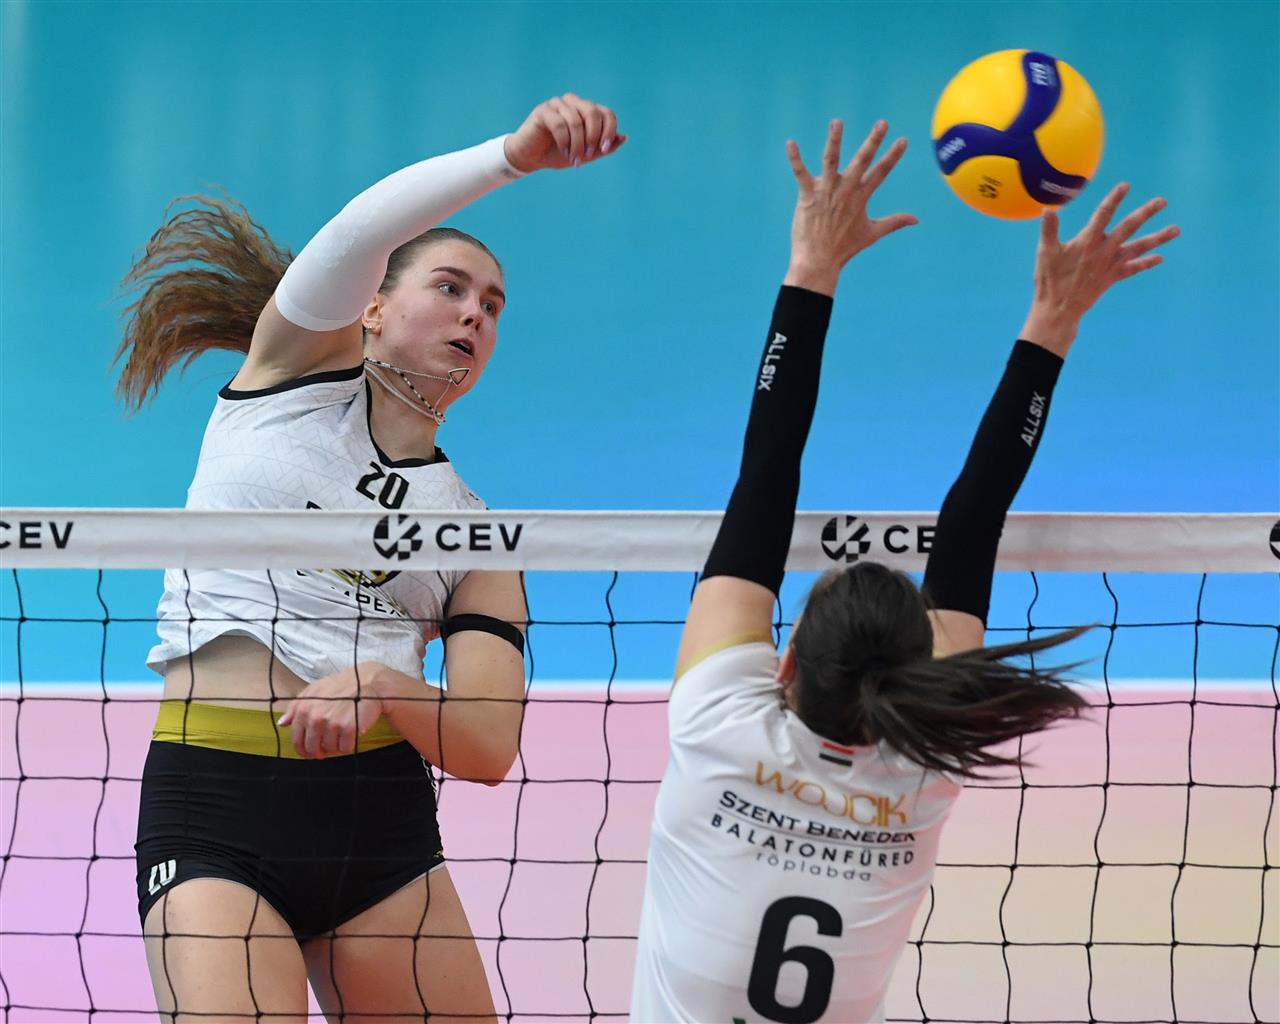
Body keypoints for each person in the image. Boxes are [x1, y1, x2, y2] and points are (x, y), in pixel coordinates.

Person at [628, 118, 1178, 1023]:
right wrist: (1054, 321)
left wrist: (813, 265)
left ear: (785, 663)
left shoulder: (731, 724)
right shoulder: (918, 769)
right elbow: (973, 521)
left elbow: (771, 472)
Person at [117, 93, 625, 1024]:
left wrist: (385, 688)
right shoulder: (288, 380)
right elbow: (362, 226)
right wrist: (512, 157)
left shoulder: (473, 529)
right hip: (216, 802)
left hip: (379, 831)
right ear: (376, 307)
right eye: (451, 287)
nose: (475, 313)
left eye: (492, 306)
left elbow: (486, 746)